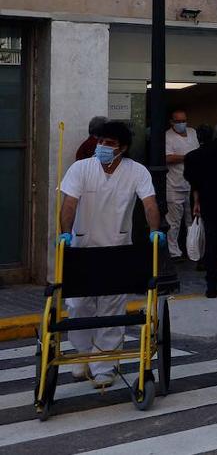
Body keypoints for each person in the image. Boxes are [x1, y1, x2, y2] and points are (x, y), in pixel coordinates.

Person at [58, 120, 163, 388]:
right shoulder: (81, 169)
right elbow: (69, 203)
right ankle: (82, 354)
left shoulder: (136, 171)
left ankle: (105, 366)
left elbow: (149, 203)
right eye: (101, 142)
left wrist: (154, 229)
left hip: (117, 250)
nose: (103, 147)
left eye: (110, 143)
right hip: (82, 249)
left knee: (111, 307)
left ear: (123, 148)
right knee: (79, 306)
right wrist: (65, 232)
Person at [187, 118, 217, 298]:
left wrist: (197, 200)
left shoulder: (199, 154)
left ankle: (211, 286)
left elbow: (193, 178)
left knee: (211, 243)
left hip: (208, 202)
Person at [164, 109, 199, 259]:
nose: (182, 124)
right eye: (178, 121)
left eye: (183, 120)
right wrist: (189, 157)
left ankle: (193, 251)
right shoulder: (167, 136)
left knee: (192, 221)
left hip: (192, 185)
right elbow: (167, 158)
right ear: (171, 122)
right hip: (174, 184)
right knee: (174, 222)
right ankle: (174, 253)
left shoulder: (192, 132)